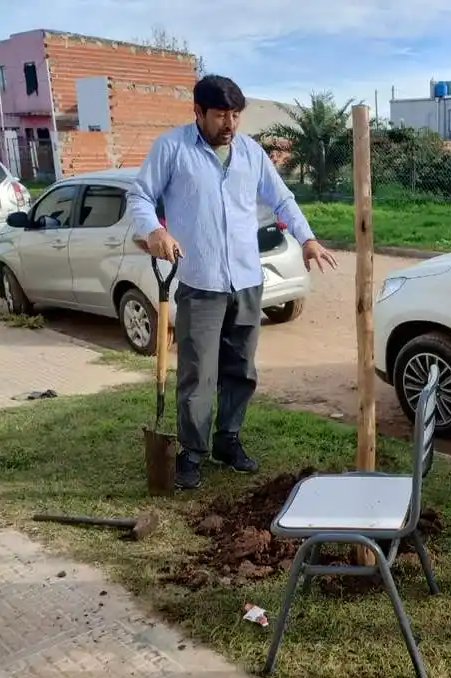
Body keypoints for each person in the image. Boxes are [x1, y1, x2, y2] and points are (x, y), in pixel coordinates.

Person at [127, 75, 338, 491]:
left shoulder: (251, 153)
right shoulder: (172, 148)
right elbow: (140, 196)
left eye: (236, 115)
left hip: (246, 280)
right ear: (198, 112)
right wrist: (156, 231)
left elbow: (282, 199)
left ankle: (228, 439)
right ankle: (192, 452)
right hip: (200, 281)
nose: (230, 124)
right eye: (221, 115)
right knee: (198, 373)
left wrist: (308, 238)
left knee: (241, 368)